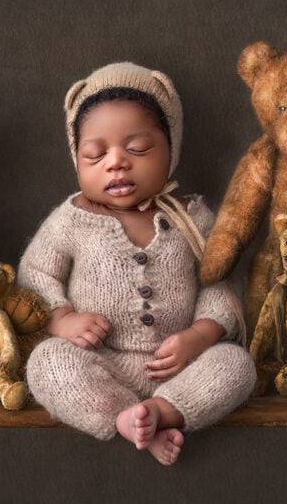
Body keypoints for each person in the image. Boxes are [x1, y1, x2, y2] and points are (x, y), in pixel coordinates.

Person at [18, 62, 256, 465]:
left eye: (138, 149)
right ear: (77, 159)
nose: (116, 162)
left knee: (237, 365)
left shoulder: (191, 218)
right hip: (103, 363)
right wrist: (61, 319)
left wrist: (199, 336)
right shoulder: (72, 218)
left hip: (180, 368)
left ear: (170, 147)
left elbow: (220, 281)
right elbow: (35, 274)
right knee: (47, 362)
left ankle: (163, 412)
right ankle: (123, 416)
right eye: (95, 155)